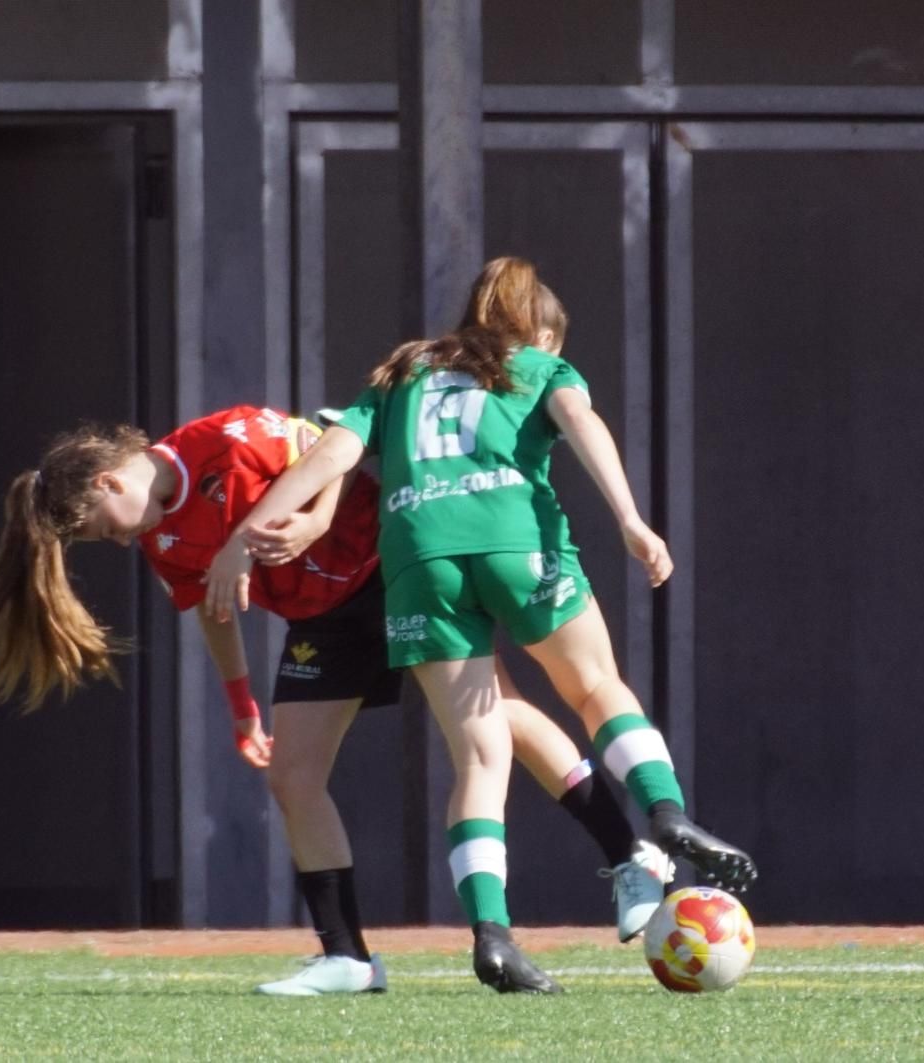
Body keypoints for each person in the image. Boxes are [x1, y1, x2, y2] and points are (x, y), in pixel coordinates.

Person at [0, 407, 673, 997]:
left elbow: (333, 447)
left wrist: (312, 519)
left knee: (498, 719)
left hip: (394, 572)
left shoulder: (228, 438)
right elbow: (215, 609)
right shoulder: (159, 538)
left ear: (112, 482)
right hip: (321, 620)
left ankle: (629, 854)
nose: (111, 541)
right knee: (293, 777)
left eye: (98, 527)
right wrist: (242, 705)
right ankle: (348, 957)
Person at [206, 258, 757, 994]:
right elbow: (580, 420)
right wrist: (630, 517)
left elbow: (335, 451)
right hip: (515, 543)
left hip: (418, 561)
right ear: (540, 332)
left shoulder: (404, 370)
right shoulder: (536, 365)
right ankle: (664, 811)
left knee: (479, 758)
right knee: (595, 686)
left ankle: (492, 933)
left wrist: (248, 535)